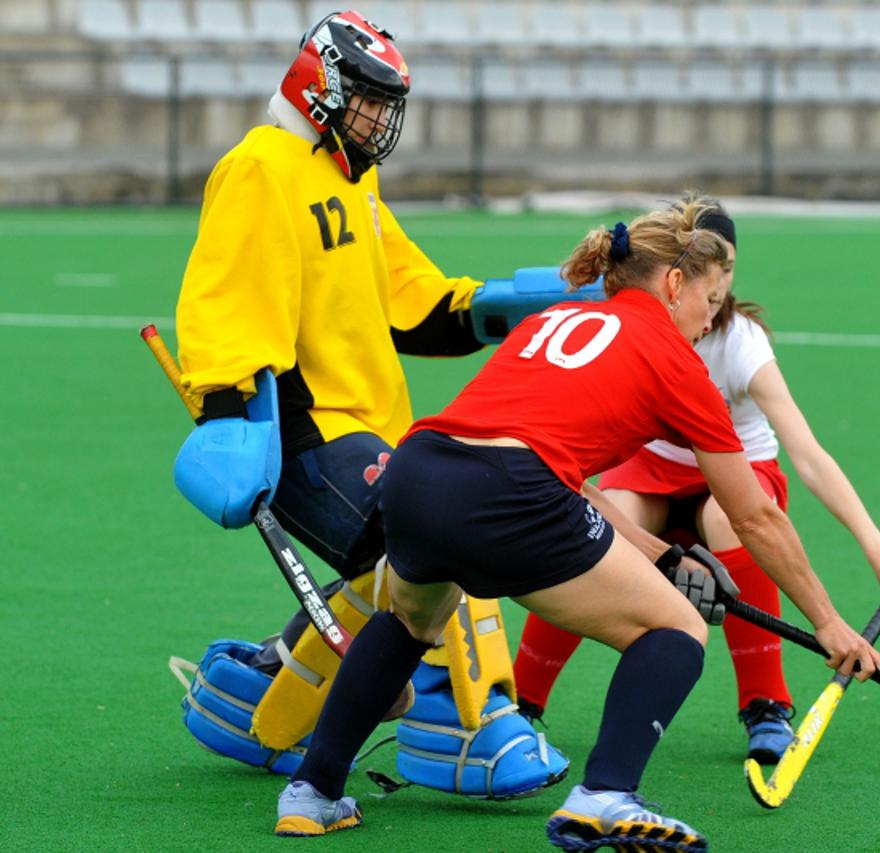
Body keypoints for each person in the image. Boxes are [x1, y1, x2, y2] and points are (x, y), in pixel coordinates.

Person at [275, 199, 880, 852]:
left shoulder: (558, 317)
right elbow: (754, 514)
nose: (711, 319)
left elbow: (552, 466)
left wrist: (661, 556)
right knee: (674, 628)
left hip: (418, 471)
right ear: (673, 283)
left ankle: (312, 794)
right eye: (709, 301)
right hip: (511, 491)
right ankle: (605, 795)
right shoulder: (676, 360)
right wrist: (828, 622)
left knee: (412, 620)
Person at [171, 9, 568, 797]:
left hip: (374, 424)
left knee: (398, 563)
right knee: (436, 543)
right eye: (369, 100)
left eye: (389, 105)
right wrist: (228, 413)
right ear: (319, 87)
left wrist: (504, 304)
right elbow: (224, 297)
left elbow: (408, 300)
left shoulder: (352, 176)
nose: (381, 119)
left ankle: (260, 690)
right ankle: (454, 723)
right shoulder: (259, 168)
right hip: (302, 429)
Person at [512, 196, 880, 765]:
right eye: (713, 265)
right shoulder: (632, 324)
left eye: (729, 265)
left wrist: (877, 547)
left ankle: (765, 705)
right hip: (651, 472)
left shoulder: (740, 341)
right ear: (674, 273)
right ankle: (517, 703)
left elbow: (807, 454)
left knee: (728, 517)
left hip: (738, 475)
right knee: (603, 523)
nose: (722, 279)